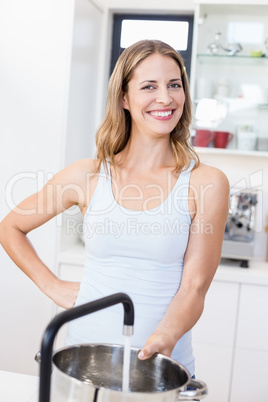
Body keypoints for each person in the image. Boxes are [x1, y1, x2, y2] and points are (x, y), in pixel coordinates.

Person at [0, 40, 229, 377]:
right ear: (124, 98)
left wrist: (165, 336)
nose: (165, 98)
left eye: (174, 85)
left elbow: (194, 287)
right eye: (149, 86)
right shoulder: (88, 175)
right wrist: (51, 284)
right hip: (85, 360)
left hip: (163, 367)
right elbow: (11, 227)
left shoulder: (205, 182)